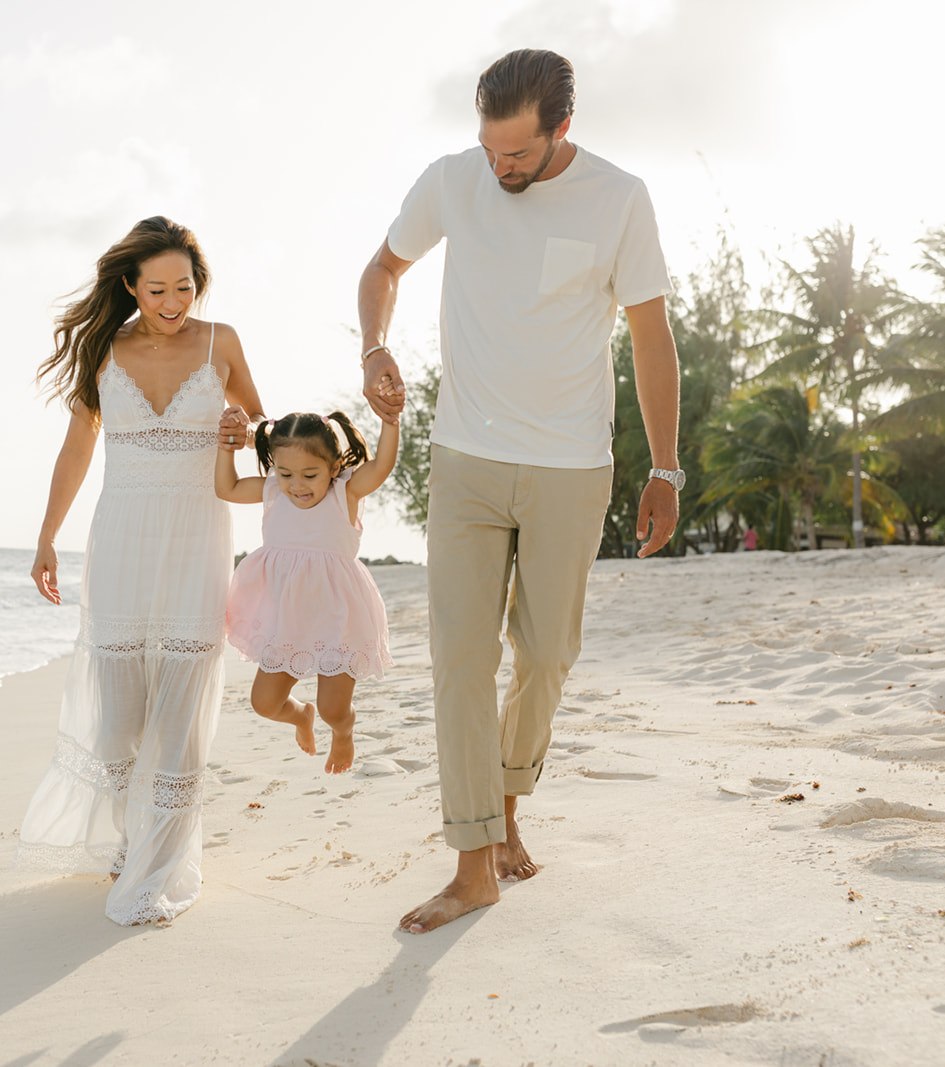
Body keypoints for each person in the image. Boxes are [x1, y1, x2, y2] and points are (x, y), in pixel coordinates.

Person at [357, 49, 683, 933]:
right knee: (461, 659)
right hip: (462, 457)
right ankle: (472, 864)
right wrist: (374, 346)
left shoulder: (619, 199)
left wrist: (665, 467)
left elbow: (652, 337)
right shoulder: (453, 181)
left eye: (518, 156)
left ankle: (506, 804)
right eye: (489, 149)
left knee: (545, 656)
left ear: (561, 131)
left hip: (571, 467)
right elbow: (381, 271)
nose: (500, 168)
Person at [19, 215, 263, 927]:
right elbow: (77, 448)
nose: (171, 301)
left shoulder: (223, 342)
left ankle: (158, 866)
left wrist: (243, 431)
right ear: (130, 286)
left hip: (196, 535)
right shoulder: (105, 348)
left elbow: (259, 421)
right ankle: (131, 839)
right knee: (119, 718)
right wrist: (46, 536)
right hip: (122, 537)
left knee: (182, 704)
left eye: (183, 287)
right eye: (156, 288)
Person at [216, 411, 398, 774]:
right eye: (285, 474)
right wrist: (226, 448)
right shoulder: (272, 490)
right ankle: (301, 716)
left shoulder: (346, 491)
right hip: (287, 621)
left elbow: (381, 467)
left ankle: (343, 730)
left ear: (333, 467)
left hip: (337, 617)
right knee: (265, 703)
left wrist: (390, 422)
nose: (297, 485)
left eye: (309, 475)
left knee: (333, 708)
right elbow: (227, 488)